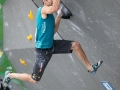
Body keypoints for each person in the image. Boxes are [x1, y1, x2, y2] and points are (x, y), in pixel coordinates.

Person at [3, 0, 103, 87]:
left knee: (76, 45)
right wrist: (56, 9)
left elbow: (53, 31)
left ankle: (91, 68)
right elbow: (55, 7)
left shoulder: (49, 16)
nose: (46, 0)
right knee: (34, 79)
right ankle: (10, 75)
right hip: (42, 52)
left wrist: (59, 16)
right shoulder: (42, 10)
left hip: (51, 44)